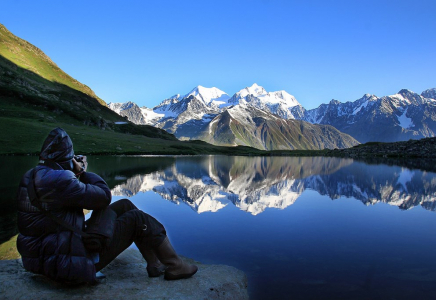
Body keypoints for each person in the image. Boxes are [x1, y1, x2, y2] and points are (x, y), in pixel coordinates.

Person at [16, 127, 197, 284]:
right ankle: (175, 265)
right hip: (67, 265)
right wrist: (83, 172)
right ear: (66, 158)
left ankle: (155, 264)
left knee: (125, 205)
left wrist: (73, 173)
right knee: (138, 219)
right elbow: (103, 197)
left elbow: (82, 199)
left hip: (47, 258)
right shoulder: (61, 179)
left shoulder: (32, 175)